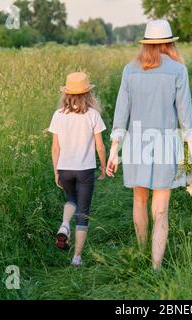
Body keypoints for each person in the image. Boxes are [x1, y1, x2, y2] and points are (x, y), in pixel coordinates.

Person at [106, 20, 192, 271]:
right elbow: (185, 115)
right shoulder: (178, 70)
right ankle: (156, 267)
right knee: (161, 209)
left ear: (146, 43)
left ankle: (140, 251)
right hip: (164, 144)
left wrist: (114, 150)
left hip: (136, 143)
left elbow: (121, 114)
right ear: (170, 43)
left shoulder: (130, 70)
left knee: (139, 200)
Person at [48, 72, 107, 266]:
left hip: (65, 168)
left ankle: (64, 225)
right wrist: (103, 167)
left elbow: (55, 147)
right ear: (88, 94)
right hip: (85, 170)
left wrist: (56, 170)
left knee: (70, 199)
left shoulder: (58, 115)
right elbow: (100, 146)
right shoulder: (93, 115)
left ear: (66, 94)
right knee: (83, 213)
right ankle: (76, 258)